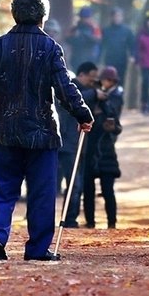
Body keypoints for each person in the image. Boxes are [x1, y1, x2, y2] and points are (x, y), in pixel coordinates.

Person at [0, 0, 94, 261]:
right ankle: (38, 249)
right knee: (41, 192)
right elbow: (64, 88)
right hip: (40, 132)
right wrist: (83, 113)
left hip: (3, 130)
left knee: (3, 187)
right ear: (43, 17)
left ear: (14, 14)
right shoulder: (51, 48)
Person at [57, 61, 99, 229]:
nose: (93, 81)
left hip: (77, 145)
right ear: (81, 74)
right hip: (66, 144)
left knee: (76, 184)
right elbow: (75, 98)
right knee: (72, 184)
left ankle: (70, 218)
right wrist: (95, 94)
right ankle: (67, 219)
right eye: (91, 77)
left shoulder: (88, 92)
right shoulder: (70, 89)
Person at [82, 65, 124, 229]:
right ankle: (90, 222)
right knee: (88, 190)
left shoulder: (108, 103)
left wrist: (110, 127)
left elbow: (118, 127)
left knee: (108, 190)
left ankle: (112, 223)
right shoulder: (86, 104)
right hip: (88, 150)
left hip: (106, 151)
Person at [99, 8, 135, 89]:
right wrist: (99, 59)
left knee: (120, 80)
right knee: (108, 79)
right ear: (111, 17)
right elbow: (101, 45)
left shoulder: (127, 31)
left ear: (122, 17)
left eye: (119, 16)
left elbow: (132, 44)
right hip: (109, 59)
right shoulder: (106, 30)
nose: (117, 18)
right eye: (115, 16)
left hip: (122, 60)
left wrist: (132, 55)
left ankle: (119, 94)